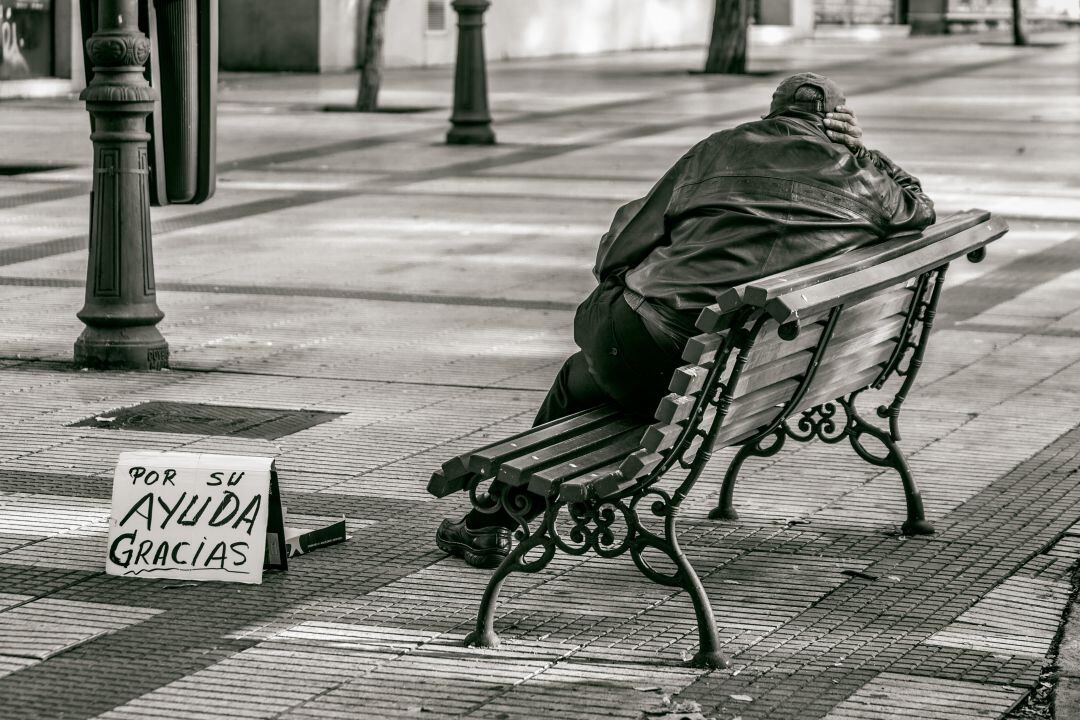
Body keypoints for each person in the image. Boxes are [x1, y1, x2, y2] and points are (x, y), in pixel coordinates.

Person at [436, 72, 936, 568]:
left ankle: (492, 521)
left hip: (661, 353)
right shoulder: (866, 180)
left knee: (587, 362)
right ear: (838, 125)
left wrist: (625, 276)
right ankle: (494, 519)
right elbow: (920, 207)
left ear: (773, 113)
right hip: (752, 378)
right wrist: (866, 153)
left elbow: (624, 243)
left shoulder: (720, 148)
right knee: (600, 371)